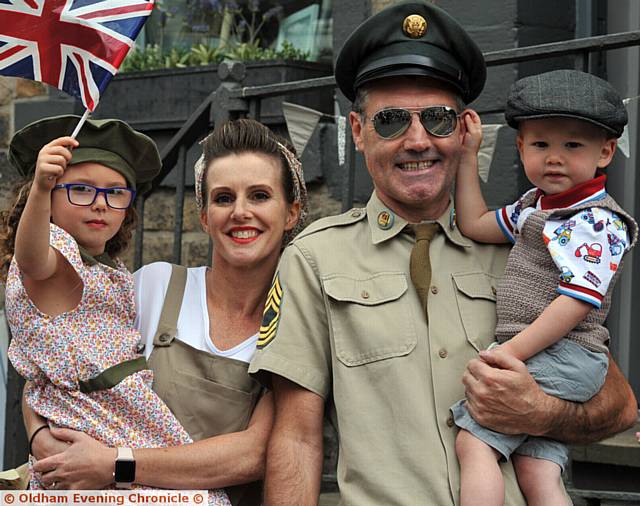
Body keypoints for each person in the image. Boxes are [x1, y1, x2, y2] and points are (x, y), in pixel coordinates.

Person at [247, 2, 638, 505]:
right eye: (389, 121)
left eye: (437, 119)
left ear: (463, 129)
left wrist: (539, 411)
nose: (416, 140)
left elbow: (619, 406)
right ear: (359, 132)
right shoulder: (314, 259)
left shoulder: (531, 246)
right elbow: (297, 438)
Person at [20, 118, 308, 506]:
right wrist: (41, 438)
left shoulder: (297, 321)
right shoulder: (153, 287)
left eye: (259, 195)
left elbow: (254, 454)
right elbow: (57, 365)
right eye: (223, 198)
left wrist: (113, 464)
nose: (240, 212)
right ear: (204, 217)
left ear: (291, 213)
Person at [0, 115, 229, 504]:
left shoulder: (109, 268)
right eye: (80, 190)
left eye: (115, 193)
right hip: (93, 413)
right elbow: (32, 257)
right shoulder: (56, 255)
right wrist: (40, 187)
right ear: (51, 198)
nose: (100, 204)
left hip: (120, 410)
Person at [451, 69, 637, 506]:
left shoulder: (595, 221)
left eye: (572, 145)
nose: (554, 157)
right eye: (540, 144)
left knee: (473, 443)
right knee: (537, 469)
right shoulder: (534, 207)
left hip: (565, 352)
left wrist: (510, 353)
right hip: (552, 353)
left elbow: (575, 303)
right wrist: (467, 158)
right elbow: (475, 224)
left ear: (606, 152)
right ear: (520, 147)